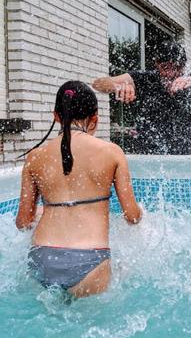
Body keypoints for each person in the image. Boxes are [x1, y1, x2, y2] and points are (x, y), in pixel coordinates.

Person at [16, 81, 142, 298]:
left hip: (41, 256)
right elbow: (132, 217)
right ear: (95, 118)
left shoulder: (34, 157)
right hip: (90, 260)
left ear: (56, 116)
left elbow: (23, 223)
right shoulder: (112, 153)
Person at [92, 41, 191, 155]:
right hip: (147, 158)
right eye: (165, 68)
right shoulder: (145, 79)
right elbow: (98, 84)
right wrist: (119, 86)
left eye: (177, 68)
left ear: (184, 67)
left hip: (181, 159)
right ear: (157, 64)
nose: (171, 74)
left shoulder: (189, 84)